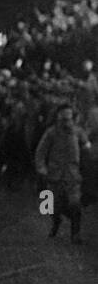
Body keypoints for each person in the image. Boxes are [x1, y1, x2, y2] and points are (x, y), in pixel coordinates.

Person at [35, 103, 91, 244]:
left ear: (73, 119)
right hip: (54, 176)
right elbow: (40, 153)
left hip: (73, 177)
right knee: (49, 206)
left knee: (75, 204)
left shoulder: (78, 132)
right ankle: (56, 221)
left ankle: (75, 234)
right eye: (62, 119)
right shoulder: (51, 133)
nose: (65, 122)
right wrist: (42, 169)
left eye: (68, 119)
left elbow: (87, 149)